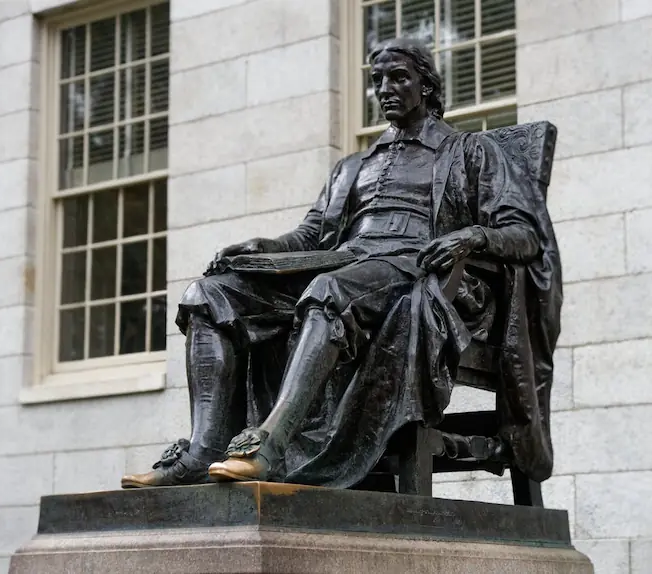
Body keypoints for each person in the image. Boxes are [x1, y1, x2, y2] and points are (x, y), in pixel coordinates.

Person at [121, 37, 561, 489]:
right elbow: (310, 235)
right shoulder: (353, 166)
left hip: (416, 266)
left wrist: (473, 235)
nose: (385, 89)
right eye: (378, 80)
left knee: (329, 290)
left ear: (427, 87)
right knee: (209, 294)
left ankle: (270, 445)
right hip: (345, 262)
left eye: (399, 77)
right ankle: (203, 450)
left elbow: (526, 235)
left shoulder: (470, 151)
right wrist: (261, 246)